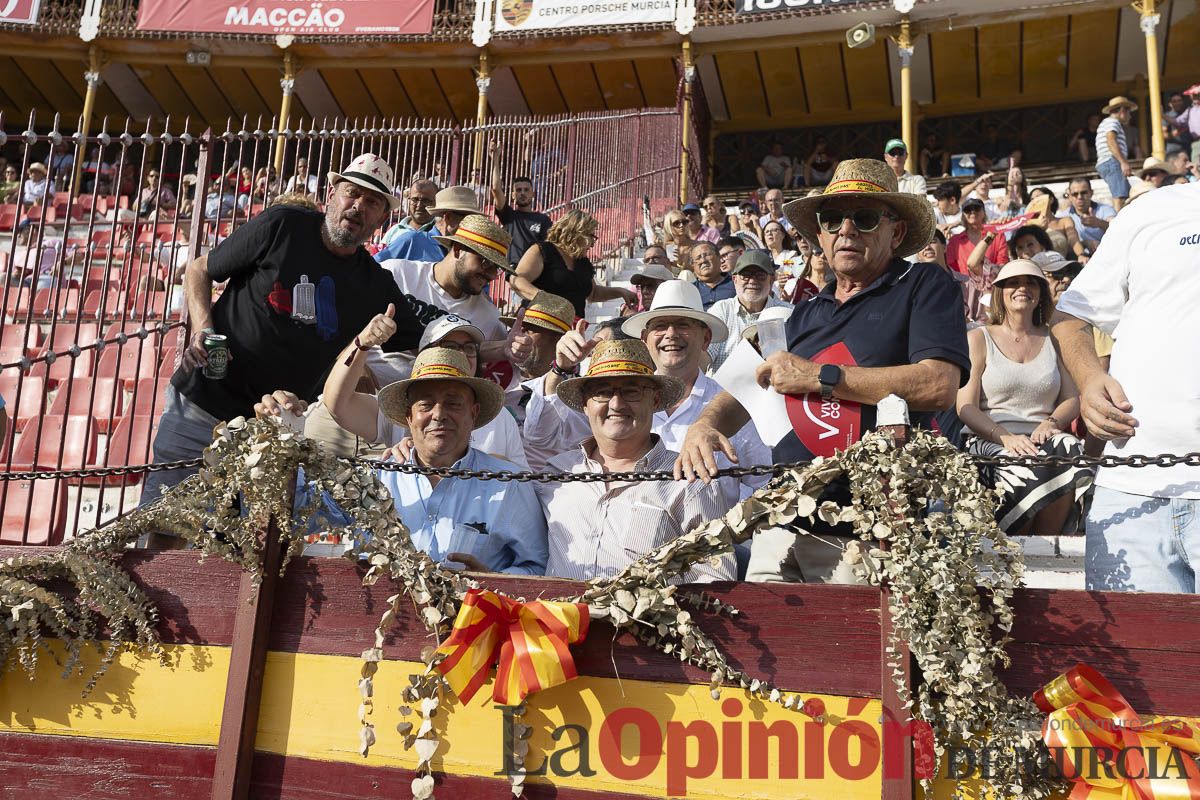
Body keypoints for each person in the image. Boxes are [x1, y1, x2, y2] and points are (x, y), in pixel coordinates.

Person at [676, 158, 967, 584]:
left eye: (864, 218)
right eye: (832, 220)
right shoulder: (803, 314)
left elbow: (939, 384)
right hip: (781, 520)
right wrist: (703, 424)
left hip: (867, 531)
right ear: (820, 236)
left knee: (851, 649)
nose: (845, 230)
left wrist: (818, 377)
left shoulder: (924, 284)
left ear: (896, 232)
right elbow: (745, 383)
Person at [139, 153, 433, 525]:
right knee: (163, 525)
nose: (358, 206)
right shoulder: (284, 225)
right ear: (332, 193)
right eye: (351, 193)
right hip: (203, 403)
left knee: (239, 543)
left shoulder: (375, 284)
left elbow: (420, 344)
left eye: (372, 201)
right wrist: (203, 327)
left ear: (381, 218)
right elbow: (199, 270)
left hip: (273, 432)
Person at [1051, 180, 1200, 592]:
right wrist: (1089, 377)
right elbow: (1070, 318)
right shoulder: (1149, 210)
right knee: (1129, 657)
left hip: (1133, 488)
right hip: (1131, 489)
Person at [536, 339, 735, 583]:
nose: (616, 404)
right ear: (586, 404)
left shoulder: (691, 481)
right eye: (603, 392)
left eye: (631, 391)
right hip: (559, 619)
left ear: (654, 401)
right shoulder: (555, 474)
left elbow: (716, 577)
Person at [337, 345, 545, 573]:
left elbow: (536, 566)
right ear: (409, 417)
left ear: (473, 414)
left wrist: (491, 583)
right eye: (426, 405)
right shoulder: (377, 479)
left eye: (453, 404)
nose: (438, 414)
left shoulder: (509, 484)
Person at [955, 259, 1087, 534]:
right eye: (1013, 282)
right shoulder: (978, 338)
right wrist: (1004, 436)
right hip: (989, 437)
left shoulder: (1055, 340)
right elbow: (965, 406)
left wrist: (1051, 423)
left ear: (1040, 292)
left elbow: (1071, 399)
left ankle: (1049, 546)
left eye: (1030, 282)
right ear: (1000, 292)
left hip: (1042, 436)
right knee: (1022, 465)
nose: (1022, 287)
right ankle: (1018, 546)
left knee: (1069, 447)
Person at [324, 312, 528, 469]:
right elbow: (338, 403)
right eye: (449, 346)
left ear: (475, 412)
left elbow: (523, 482)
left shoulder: (501, 417)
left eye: (469, 347)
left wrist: (493, 463)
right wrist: (363, 344)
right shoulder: (407, 404)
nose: (461, 355)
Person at [372, 214, 515, 386]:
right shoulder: (397, 273)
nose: (492, 275)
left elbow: (480, 354)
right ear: (457, 249)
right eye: (485, 262)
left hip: (427, 406)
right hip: (359, 394)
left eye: (496, 268)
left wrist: (507, 348)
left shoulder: (488, 316)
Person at [510, 209, 634, 318]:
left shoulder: (583, 263)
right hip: (539, 328)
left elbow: (593, 293)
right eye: (592, 236)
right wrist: (544, 299)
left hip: (570, 331)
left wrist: (620, 292)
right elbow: (516, 280)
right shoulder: (543, 251)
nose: (593, 243)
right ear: (577, 233)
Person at [706, 250, 792, 374]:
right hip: (722, 389)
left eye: (760, 275)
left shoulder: (788, 313)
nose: (752, 281)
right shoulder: (722, 309)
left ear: (771, 280)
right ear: (735, 279)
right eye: (745, 275)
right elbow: (706, 355)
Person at [375, 186, 480, 263]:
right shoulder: (411, 241)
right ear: (447, 216)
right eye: (466, 218)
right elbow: (373, 267)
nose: (471, 224)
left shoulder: (468, 253)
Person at [490, 142, 553, 270]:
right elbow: (496, 189)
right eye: (518, 190)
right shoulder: (509, 216)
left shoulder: (543, 220)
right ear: (513, 195)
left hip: (536, 273)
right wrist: (495, 160)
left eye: (526, 190)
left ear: (533, 194)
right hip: (515, 271)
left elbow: (549, 248)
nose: (522, 193)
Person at [1095, 96, 1137, 211]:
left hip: (1109, 161)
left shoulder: (1108, 123)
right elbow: (1111, 140)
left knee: (1126, 194)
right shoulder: (1112, 122)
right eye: (1128, 111)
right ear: (1123, 110)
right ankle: (1119, 224)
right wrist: (1123, 162)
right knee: (1120, 195)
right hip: (1112, 161)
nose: (1130, 115)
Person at [1061, 177, 1115, 256]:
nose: (1079, 197)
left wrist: (1099, 223)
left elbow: (1118, 229)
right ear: (1070, 196)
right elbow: (1061, 245)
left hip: (1106, 254)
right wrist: (1085, 243)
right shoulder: (1063, 217)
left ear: (1091, 193)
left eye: (1083, 193)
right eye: (1075, 194)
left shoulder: (1105, 209)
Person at [380, 179, 437, 246]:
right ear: (409, 200)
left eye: (426, 200)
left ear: (436, 202)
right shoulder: (394, 231)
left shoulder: (440, 231)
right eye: (415, 199)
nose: (419, 205)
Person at [689, 241, 734, 309]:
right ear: (693, 266)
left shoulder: (736, 283)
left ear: (719, 257)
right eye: (698, 258)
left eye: (707, 255)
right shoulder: (690, 290)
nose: (703, 260)